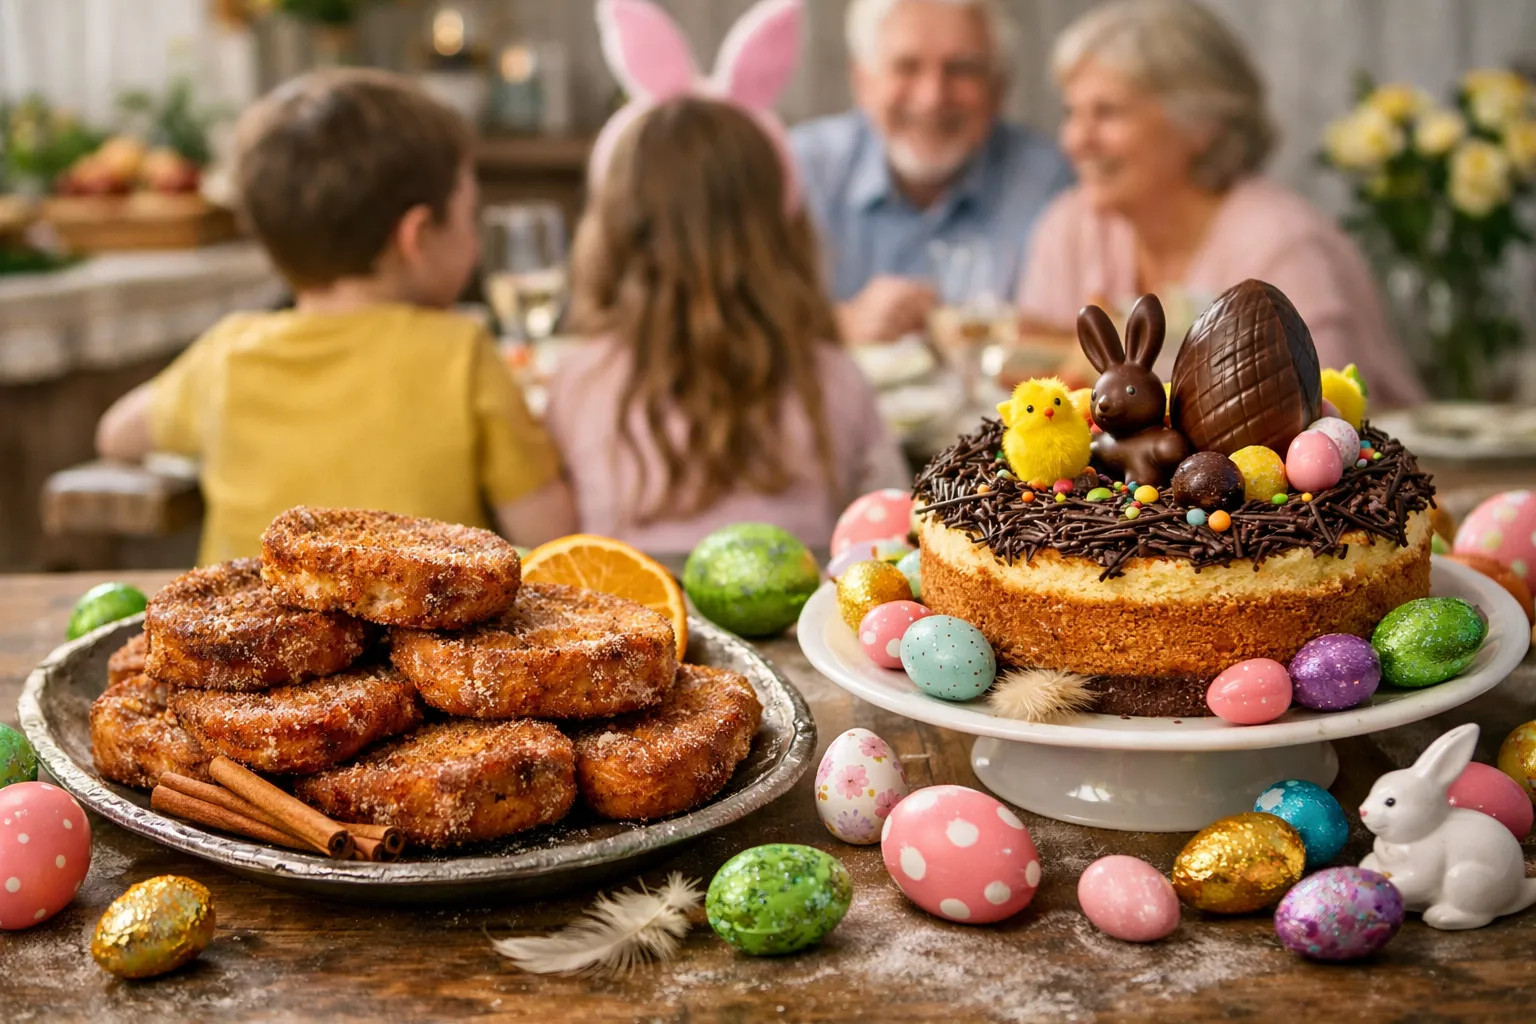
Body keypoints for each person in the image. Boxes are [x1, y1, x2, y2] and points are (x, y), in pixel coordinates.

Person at [95, 69, 575, 563]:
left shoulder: (229, 351)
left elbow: (117, 434)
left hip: (242, 633)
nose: (475, 244)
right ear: (416, 235)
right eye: (468, 216)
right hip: (410, 639)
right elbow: (551, 535)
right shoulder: (462, 352)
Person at [546, 97, 910, 554]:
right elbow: (896, 534)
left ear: (615, 231)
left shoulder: (575, 381)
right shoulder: (836, 378)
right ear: (781, 230)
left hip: (634, 616)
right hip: (795, 620)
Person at [1018, 0, 1425, 406]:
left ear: (1200, 125)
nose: (1076, 140)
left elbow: (1316, 418)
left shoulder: (1282, 246)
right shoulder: (1072, 225)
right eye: (1071, 112)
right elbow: (1027, 381)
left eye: (1107, 113)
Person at [792, 0, 1073, 343]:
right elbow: (736, 328)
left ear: (1000, 88)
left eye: (961, 69)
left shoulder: (1053, 184)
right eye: (906, 67)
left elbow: (1074, 348)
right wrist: (837, 325)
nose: (932, 98)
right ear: (862, 82)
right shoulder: (798, 170)